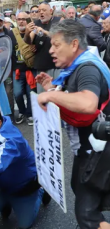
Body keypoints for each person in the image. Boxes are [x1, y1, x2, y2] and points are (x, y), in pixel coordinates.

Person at [36, 19, 110, 229]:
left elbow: (87, 103)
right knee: (78, 187)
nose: (51, 50)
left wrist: (51, 97)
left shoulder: (87, 69)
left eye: (56, 45)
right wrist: (52, 88)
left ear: (74, 44)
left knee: (86, 215)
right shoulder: (81, 64)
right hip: (89, 148)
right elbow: (74, 96)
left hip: (98, 151)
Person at [24, 2, 61, 93]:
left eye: (44, 10)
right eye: (39, 10)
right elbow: (28, 41)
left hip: (56, 65)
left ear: (51, 11)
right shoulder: (36, 23)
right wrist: (27, 33)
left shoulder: (59, 21)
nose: (41, 13)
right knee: (43, 96)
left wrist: (45, 32)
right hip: (41, 65)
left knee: (57, 94)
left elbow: (61, 39)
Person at [9, 12, 37, 125]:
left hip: (31, 69)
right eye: (19, 19)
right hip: (17, 70)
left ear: (28, 20)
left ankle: (30, 114)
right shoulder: (11, 34)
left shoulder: (34, 33)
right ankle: (21, 111)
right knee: (17, 93)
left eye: (24, 19)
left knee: (31, 93)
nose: (21, 21)